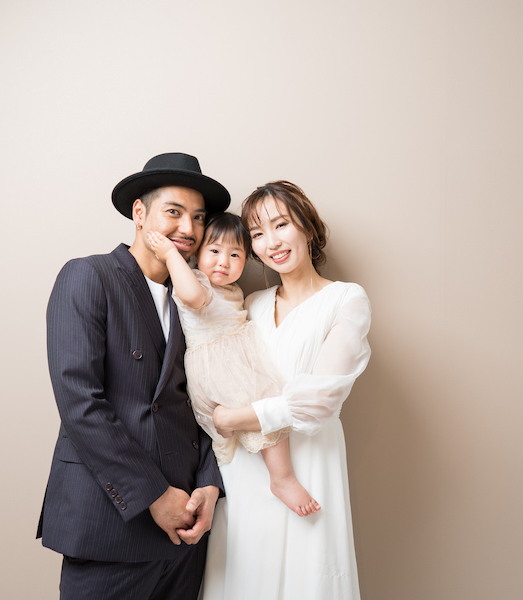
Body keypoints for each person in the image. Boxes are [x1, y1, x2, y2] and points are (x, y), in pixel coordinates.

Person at [36, 152, 228, 600]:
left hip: (186, 528)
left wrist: (209, 484)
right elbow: (80, 403)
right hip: (111, 520)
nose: (188, 228)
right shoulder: (89, 275)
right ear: (139, 213)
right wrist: (154, 496)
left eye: (199, 217)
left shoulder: (197, 297)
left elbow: (210, 400)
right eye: (174, 212)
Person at [201, 181, 372, 600]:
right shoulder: (251, 304)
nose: (272, 242)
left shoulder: (346, 299)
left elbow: (319, 401)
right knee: (245, 576)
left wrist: (232, 417)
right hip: (246, 468)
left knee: (307, 575)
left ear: (308, 227)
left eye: (281, 225)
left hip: (308, 461)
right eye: (258, 233)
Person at [145, 212, 320, 517]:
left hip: (234, 363)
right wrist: (171, 254)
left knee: (264, 411)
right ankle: (282, 478)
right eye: (214, 251)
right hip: (218, 367)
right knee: (267, 405)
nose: (223, 262)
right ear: (197, 254)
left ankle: (269, 475)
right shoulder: (195, 280)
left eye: (235, 254)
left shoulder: (233, 289)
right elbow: (192, 296)